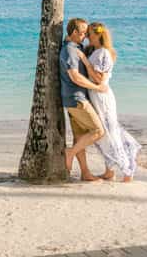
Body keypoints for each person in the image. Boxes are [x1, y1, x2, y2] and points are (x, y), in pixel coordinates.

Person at [80, 22, 141, 181]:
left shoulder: (103, 53)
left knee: (109, 131)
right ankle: (109, 171)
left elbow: (100, 79)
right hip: (96, 95)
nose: (87, 36)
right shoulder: (96, 51)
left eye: (90, 34)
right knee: (105, 132)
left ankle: (127, 171)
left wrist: (86, 64)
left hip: (102, 97)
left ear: (98, 35)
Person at [59, 17, 107, 182]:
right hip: (77, 99)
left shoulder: (74, 46)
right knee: (98, 131)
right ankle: (70, 153)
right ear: (73, 33)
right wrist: (97, 88)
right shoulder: (71, 50)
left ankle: (85, 173)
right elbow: (75, 77)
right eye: (82, 33)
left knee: (79, 138)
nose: (85, 36)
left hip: (72, 99)